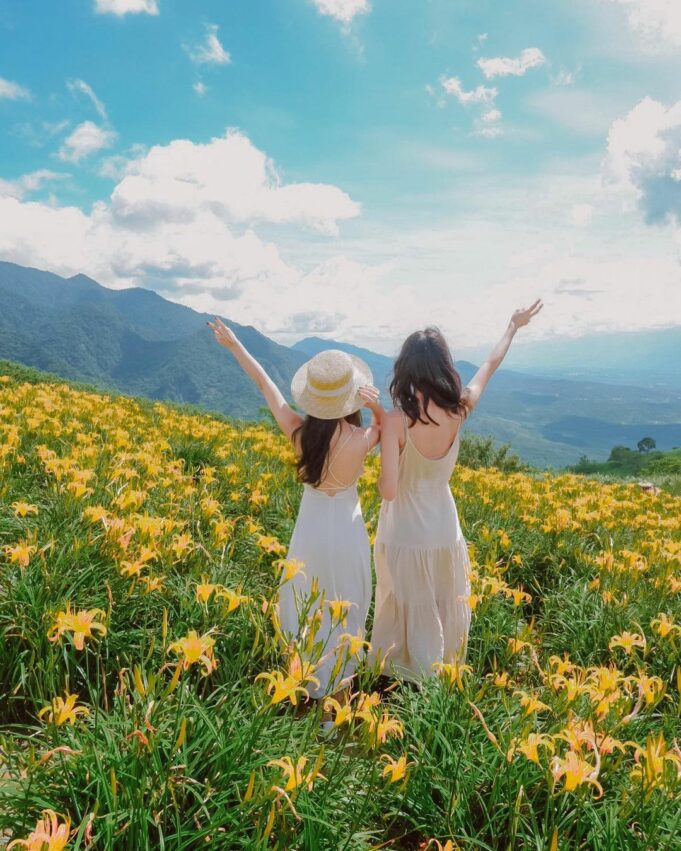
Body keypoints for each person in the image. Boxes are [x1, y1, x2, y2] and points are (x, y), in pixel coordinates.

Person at [208, 318, 382, 715]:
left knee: (306, 602)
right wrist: (374, 407)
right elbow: (387, 428)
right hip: (348, 533)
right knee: (348, 606)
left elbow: (264, 384)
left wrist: (235, 344)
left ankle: (300, 687)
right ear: (350, 398)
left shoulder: (299, 433)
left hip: (311, 532)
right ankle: (337, 702)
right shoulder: (362, 439)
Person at [370, 300, 543, 682]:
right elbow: (489, 366)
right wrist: (512, 327)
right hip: (445, 529)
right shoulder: (460, 407)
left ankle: (398, 677)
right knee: (441, 605)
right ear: (444, 366)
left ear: (406, 370)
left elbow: (388, 491)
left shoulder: (397, 421)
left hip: (405, 533)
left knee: (403, 606)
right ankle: (438, 678)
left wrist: (379, 428)